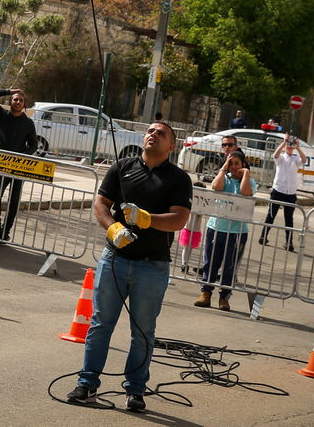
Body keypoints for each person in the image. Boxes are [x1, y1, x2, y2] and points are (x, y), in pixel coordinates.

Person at [67, 120, 191, 412]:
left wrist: (147, 219)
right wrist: (113, 228)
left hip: (153, 265)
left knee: (143, 331)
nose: (153, 135)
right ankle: (87, 384)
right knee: (100, 324)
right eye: (150, 131)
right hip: (115, 259)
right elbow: (100, 203)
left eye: (161, 133)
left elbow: (179, 218)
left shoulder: (178, 178)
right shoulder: (122, 167)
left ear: (171, 146)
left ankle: (135, 390)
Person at [195, 142, 255, 311]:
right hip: (216, 227)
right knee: (210, 262)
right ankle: (206, 293)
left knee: (230, 265)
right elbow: (216, 187)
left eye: (237, 163)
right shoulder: (224, 177)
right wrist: (223, 168)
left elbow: (246, 192)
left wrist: (246, 173)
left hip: (237, 231)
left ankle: (224, 297)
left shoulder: (249, 180)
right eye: (231, 163)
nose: (234, 167)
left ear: (243, 164)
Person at [0, 86, 37, 240]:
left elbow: (33, 145)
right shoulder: (2, 115)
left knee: (14, 200)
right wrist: (9, 91)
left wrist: (21, 157)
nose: (18, 102)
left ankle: (6, 231)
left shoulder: (28, 123)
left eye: (21, 100)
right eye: (15, 99)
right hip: (1, 165)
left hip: (18, 168)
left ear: (24, 104)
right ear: (11, 101)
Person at [258, 135, 304, 252]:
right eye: (288, 145)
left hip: (291, 193)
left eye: (291, 145)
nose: (289, 147)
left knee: (289, 219)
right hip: (278, 190)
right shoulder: (281, 158)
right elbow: (275, 155)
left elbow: (304, 160)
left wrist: (298, 147)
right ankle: (263, 236)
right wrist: (283, 143)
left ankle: (289, 242)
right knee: (271, 215)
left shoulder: (296, 158)